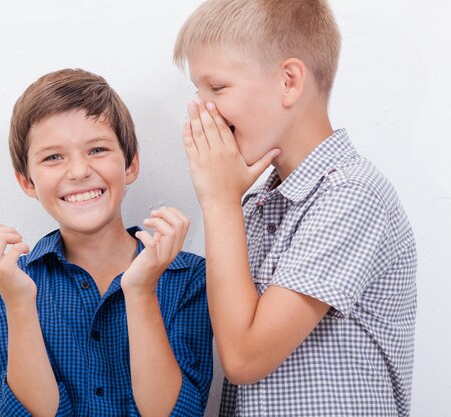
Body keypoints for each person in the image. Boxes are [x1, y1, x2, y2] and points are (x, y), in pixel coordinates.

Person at [173, 1, 417, 416]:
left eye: (216, 88)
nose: (202, 109)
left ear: (289, 81)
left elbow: (244, 358)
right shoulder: (255, 204)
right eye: (197, 91)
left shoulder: (352, 194)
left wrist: (218, 201)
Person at [0, 68, 212, 416]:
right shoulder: (5, 284)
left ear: (130, 164)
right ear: (27, 181)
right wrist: (20, 303)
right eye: (53, 157)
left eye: (97, 149)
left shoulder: (187, 277)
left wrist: (141, 291)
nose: (79, 171)